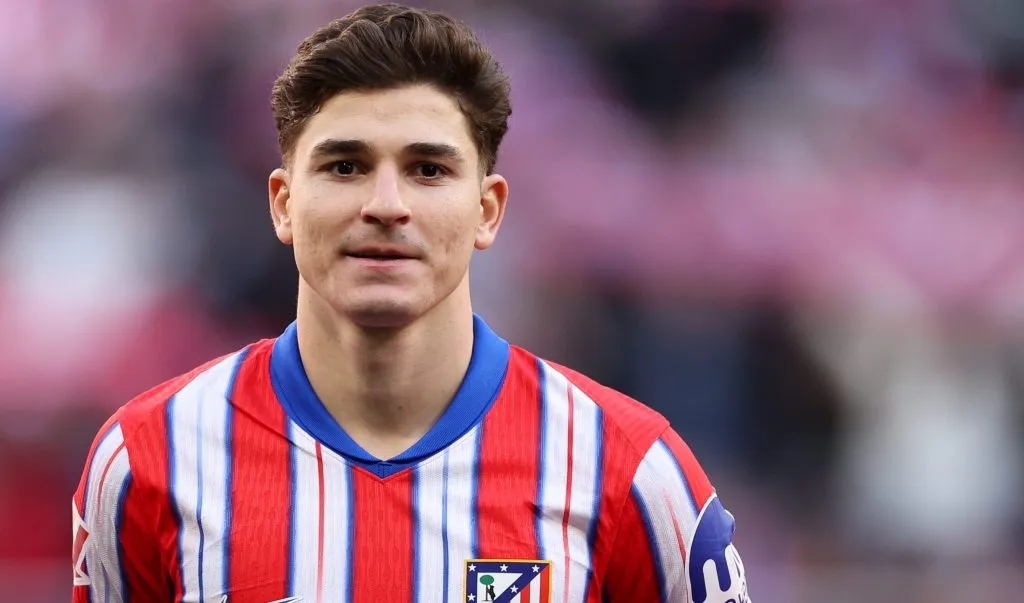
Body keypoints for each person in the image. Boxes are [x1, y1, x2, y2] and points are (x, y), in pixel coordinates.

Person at [72, 4, 751, 602]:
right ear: (283, 202)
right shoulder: (146, 458)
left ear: (488, 211)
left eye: (428, 169)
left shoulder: (628, 467)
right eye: (345, 166)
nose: (385, 205)